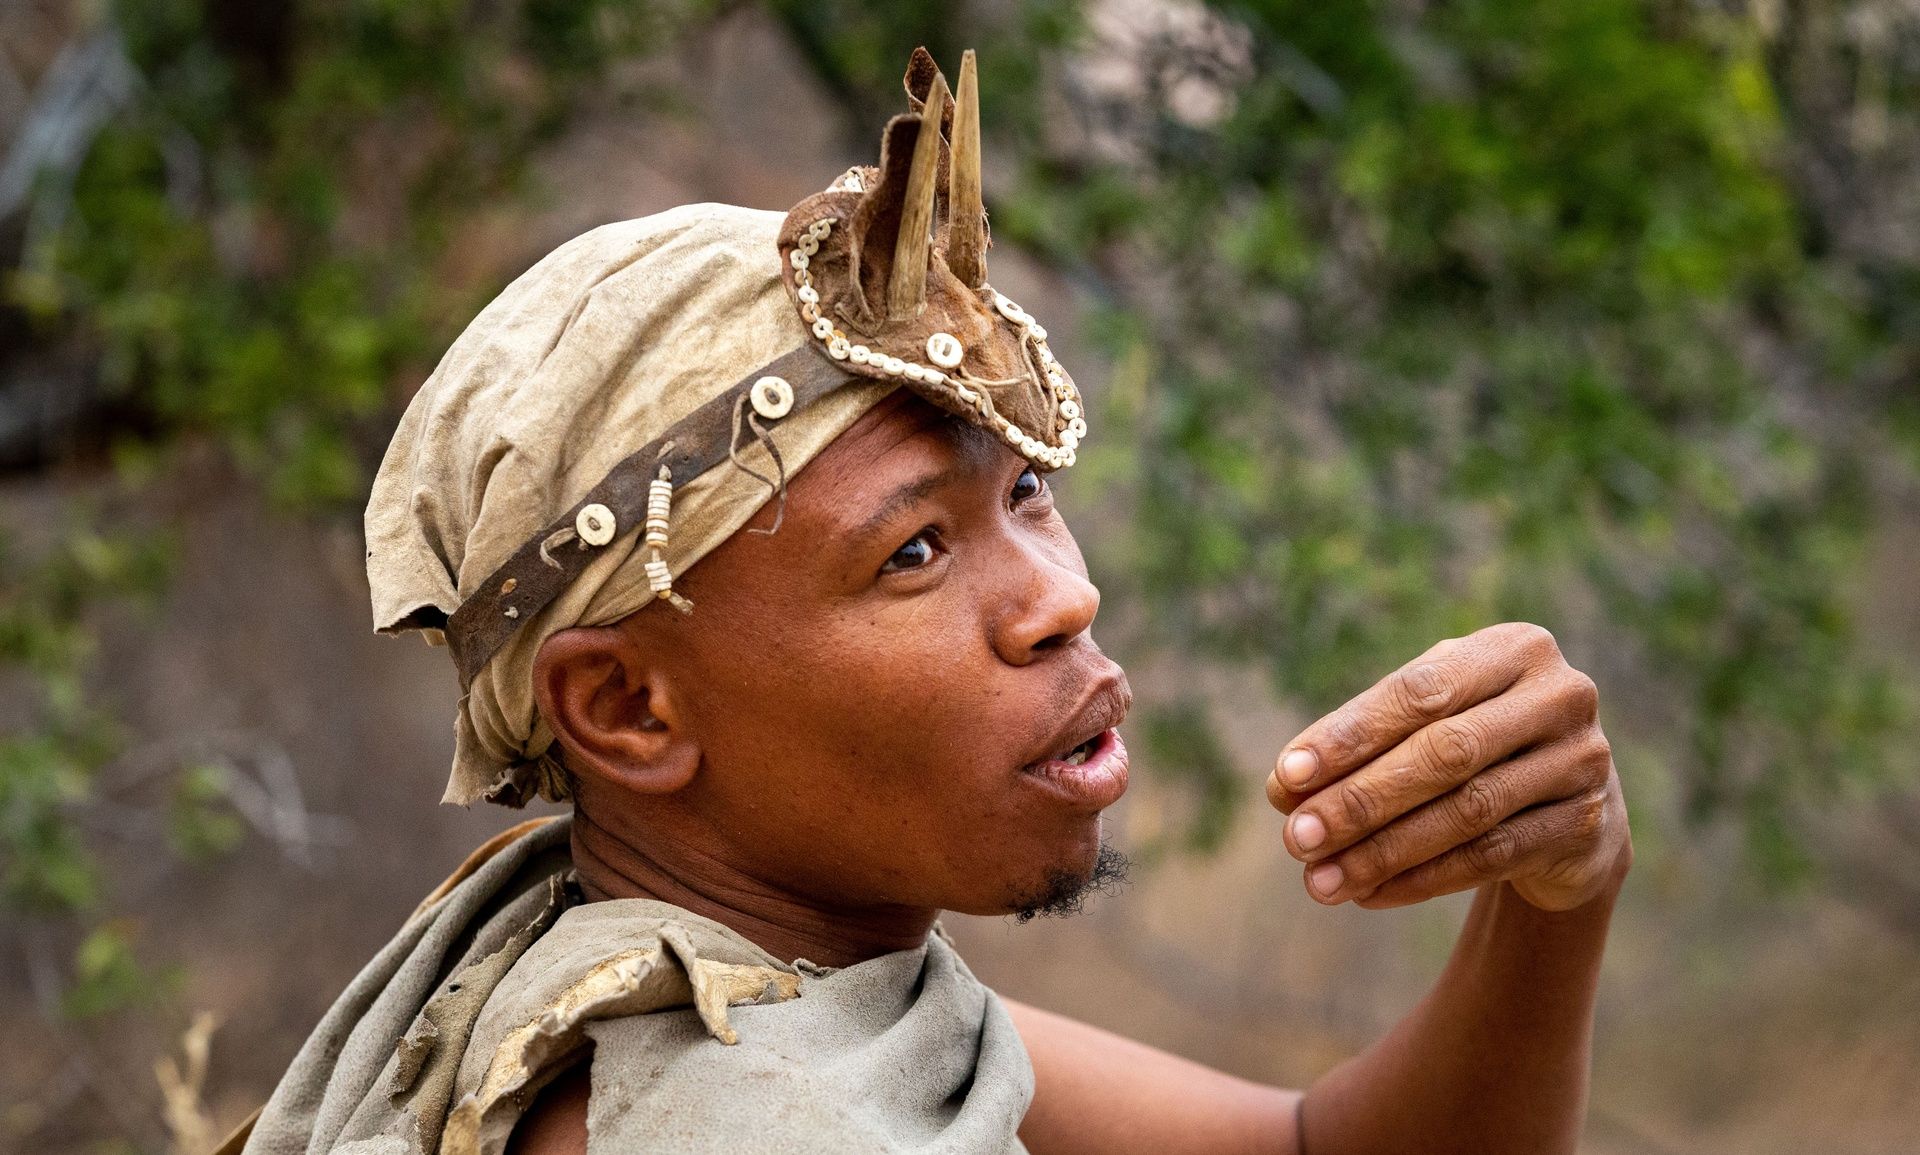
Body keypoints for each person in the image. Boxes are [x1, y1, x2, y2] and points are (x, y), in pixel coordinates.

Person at [232, 48, 1630, 1155]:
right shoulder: (733, 1121)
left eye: (1025, 495)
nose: (1061, 601)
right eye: (910, 552)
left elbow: (1325, 1151)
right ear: (626, 707)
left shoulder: (790, 995)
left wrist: (1555, 896)